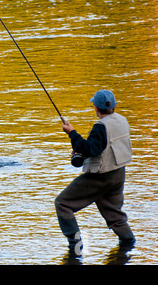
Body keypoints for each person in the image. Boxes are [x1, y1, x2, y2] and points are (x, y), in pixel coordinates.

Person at [55, 90, 135, 255]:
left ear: (95, 108)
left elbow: (91, 149)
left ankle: (75, 247)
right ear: (115, 106)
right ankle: (129, 244)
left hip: (101, 177)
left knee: (62, 203)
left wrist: (72, 133)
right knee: (115, 215)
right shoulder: (122, 120)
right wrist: (81, 148)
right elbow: (106, 146)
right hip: (119, 173)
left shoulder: (101, 126)